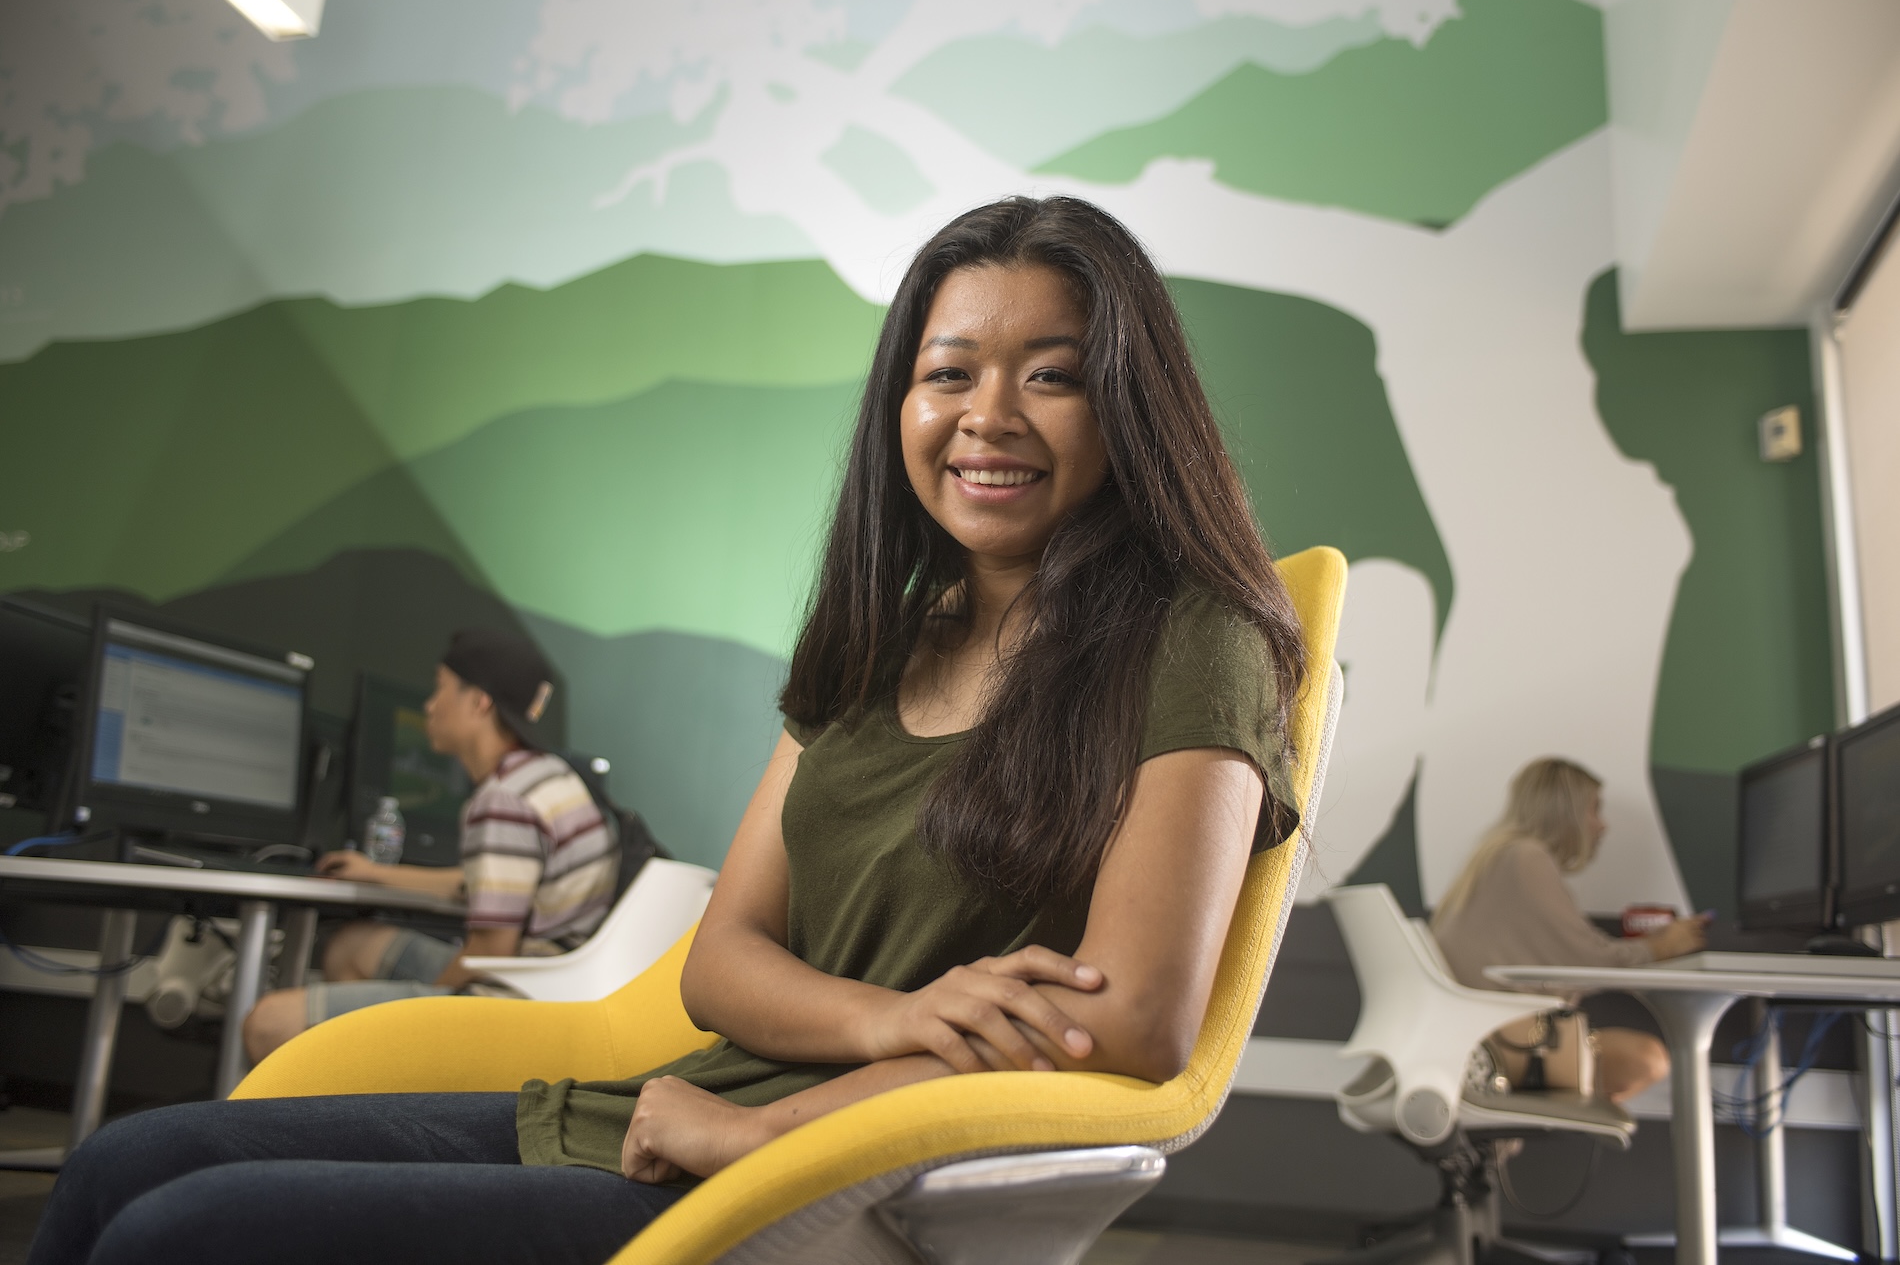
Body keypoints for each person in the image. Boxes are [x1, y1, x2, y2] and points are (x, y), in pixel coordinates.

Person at [30, 195, 1307, 1265]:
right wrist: (891, 1016)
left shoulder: (1197, 635)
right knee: (120, 1163)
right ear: (901, 405)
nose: (989, 414)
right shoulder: (870, 647)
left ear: (1128, 405)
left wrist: (768, 1135)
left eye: (1052, 376)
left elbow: (1134, 1024)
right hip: (676, 1110)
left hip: (819, 1180)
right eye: (948, 372)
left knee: (181, 1233)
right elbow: (723, 962)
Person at [240, 629, 620, 1063]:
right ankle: (368, 1084)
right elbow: (479, 886)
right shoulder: (546, 775)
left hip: (514, 1000)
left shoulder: (504, 800)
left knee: (267, 1023)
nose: (430, 705)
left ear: (479, 703)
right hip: (552, 980)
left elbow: (489, 951)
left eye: (441, 689)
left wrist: (425, 1005)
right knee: (351, 947)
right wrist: (375, 872)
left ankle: (403, 1065)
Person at [1430, 757, 1709, 1103]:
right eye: (1594, 810)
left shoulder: (1495, 856)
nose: (1602, 826)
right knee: (1647, 1059)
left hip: (1475, 1040)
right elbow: (1590, 962)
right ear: (1566, 811)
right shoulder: (1526, 858)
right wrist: (1661, 946)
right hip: (1502, 1048)